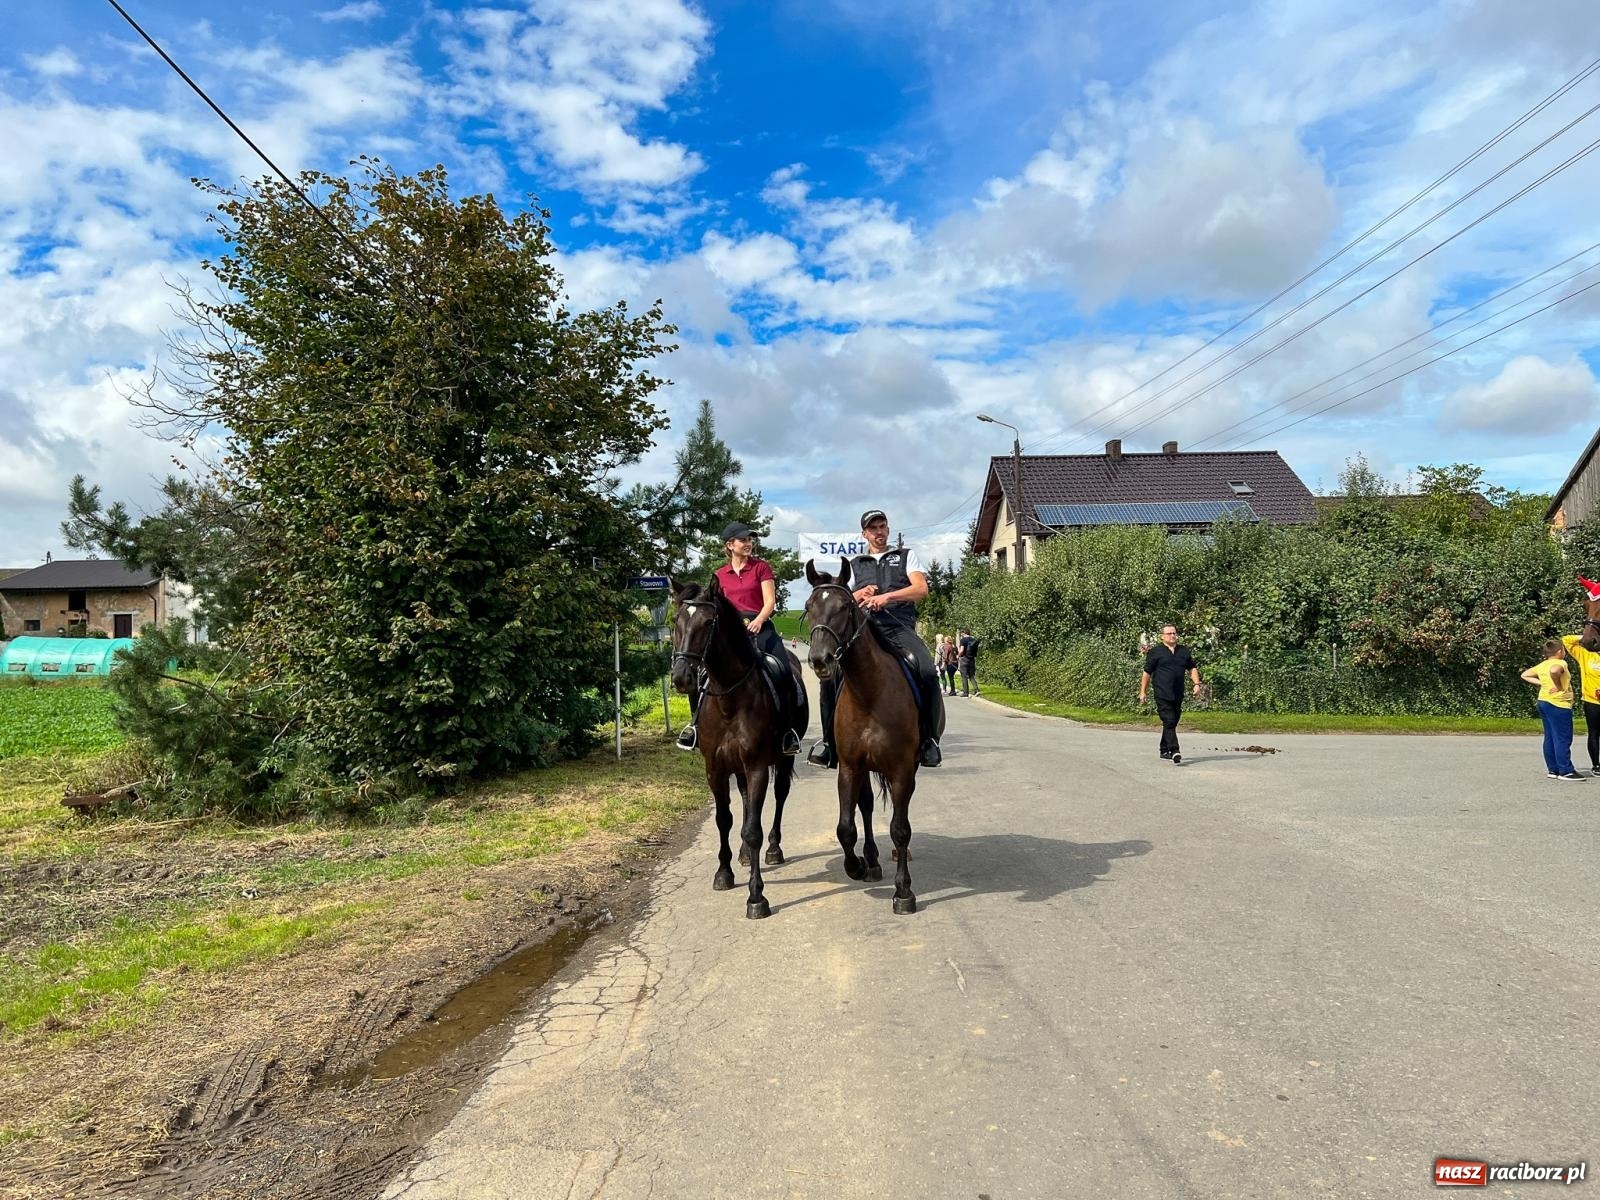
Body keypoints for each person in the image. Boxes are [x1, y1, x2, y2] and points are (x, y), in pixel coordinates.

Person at [808, 509, 945, 768]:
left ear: (888, 529)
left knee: (927, 671)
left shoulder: (905, 556)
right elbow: (842, 601)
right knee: (830, 679)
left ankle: (929, 740)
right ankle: (829, 745)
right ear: (864, 534)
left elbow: (921, 589)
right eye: (873, 529)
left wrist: (887, 597)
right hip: (865, 630)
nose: (878, 532)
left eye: (882, 527)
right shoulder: (855, 562)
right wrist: (859, 594)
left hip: (899, 627)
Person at [676, 522, 801, 755]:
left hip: (760, 626)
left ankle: (787, 731)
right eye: (743, 540)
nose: (748, 543)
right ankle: (695, 726)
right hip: (731, 633)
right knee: (701, 673)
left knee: (783, 669)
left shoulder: (761, 568)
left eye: (750, 540)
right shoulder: (719, 576)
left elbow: (770, 602)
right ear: (729, 545)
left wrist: (758, 621)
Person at [1138, 623, 1201, 765]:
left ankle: (1164, 749)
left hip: (1178, 693)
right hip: (1162, 693)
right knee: (1169, 720)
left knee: (1172, 722)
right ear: (1162, 637)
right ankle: (1174, 750)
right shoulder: (1155, 652)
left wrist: (1197, 684)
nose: (1172, 636)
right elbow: (1147, 673)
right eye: (1169, 633)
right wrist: (1143, 691)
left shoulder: (1183, 651)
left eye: (1174, 633)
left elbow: (1192, 668)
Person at [1521, 639, 1583, 781]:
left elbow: (1525, 675)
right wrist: (1558, 685)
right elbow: (1555, 671)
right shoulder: (1561, 663)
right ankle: (1566, 771)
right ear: (1560, 651)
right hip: (1558, 704)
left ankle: (1553, 769)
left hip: (1543, 702)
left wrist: (1542, 683)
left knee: (1550, 737)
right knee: (1562, 738)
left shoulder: (1542, 665)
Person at [1563, 578, 1600, 774]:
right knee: (1594, 732)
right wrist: (1585, 638)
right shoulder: (1585, 654)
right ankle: (1596, 765)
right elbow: (1566, 641)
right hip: (1592, 700)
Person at [957, 627, 980, 697]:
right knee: (971, 675)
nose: (961, 634)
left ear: (963, 633)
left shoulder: (963, 640)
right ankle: (977, 690)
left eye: (961, 633)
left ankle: (965, 692)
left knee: (964, 676)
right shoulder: (973, 639)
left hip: (964, 659)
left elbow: (961, 650)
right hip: (972, 659)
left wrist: (958, 656)